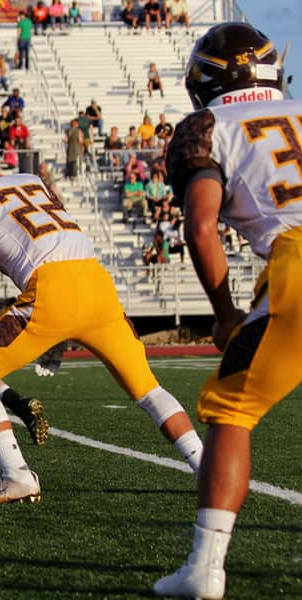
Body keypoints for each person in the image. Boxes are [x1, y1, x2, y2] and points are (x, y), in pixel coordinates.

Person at [0, 115, 203, 504]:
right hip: (97, 284)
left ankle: (16, 475)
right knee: (147, 388)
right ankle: (205, 465)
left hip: (50, 291)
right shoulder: (30, 180)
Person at [153, 23, 300, 599]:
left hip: (297, 262)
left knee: (231, 410)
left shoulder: (209, 126)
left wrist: (222, 311)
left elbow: (201, 221)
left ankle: (204, 570)